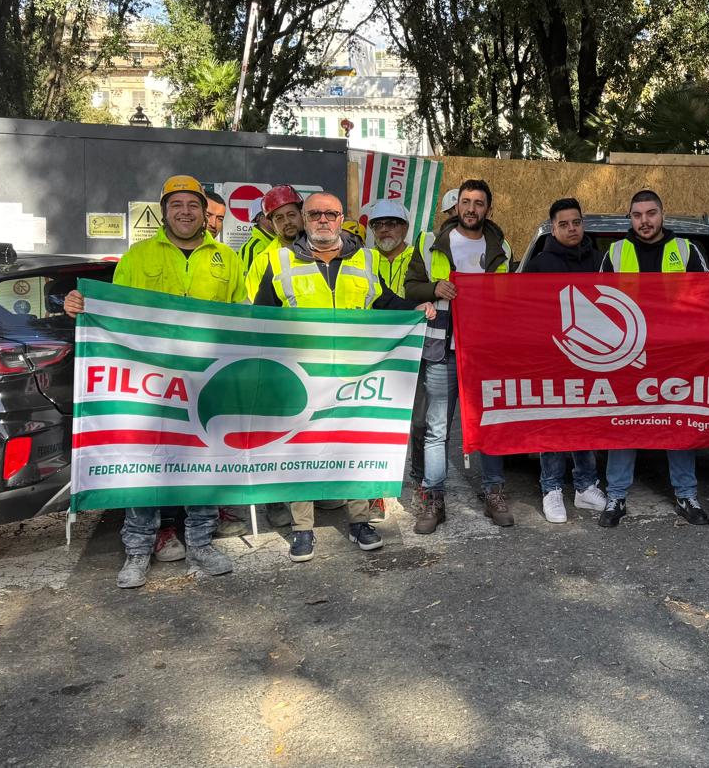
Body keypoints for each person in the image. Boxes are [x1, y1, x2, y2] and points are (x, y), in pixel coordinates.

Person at [63, 175, 242, 589]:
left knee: (204, 462)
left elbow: (241, 316)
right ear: (165, 211)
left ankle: (200, 543)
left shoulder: (227, 260)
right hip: (150, 381)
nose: (185, 211)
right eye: (176, 204)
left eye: (192, 205)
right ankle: (138, 551)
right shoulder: (138, 256)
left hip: (204, 380)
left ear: (204, 212)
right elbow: (113, 310)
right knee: (144, 463)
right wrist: (81, 306)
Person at [252, 192, 435, 562]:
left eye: (331, 214)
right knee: (299, 451)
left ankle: (359, 522)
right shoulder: (280, 260)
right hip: (301, 377)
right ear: (304, 218)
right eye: (315, 214)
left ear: (341, 219)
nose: (323, 220)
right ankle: (302, 529)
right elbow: (261, 318)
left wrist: (415, 308)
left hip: (355, 375)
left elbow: (383, 301)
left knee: (354, 448)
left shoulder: (364, 258)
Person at [596, 190, 709, 527]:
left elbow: (708, 300)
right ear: (629, 218)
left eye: (651, 213)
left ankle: (686, 494)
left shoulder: (687, 250)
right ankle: (616, 496)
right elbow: (599, 305)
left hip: (676, 357)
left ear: (662, 214)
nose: (644, 221)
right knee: (624, 422)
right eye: (637, 215)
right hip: (627, 357)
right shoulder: (615, 254)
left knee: (678, 422)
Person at [405, 178, 515, 533]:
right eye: (466, 202)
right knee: (437, 429)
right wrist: (434, 288)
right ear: (457, 207)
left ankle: (494, 492)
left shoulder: (503, 247)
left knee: (491, 425)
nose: (471, 209)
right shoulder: (429, 243)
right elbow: (409, 288)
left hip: (486, 352)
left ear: (488, 209)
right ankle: (433, 498)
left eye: (479, 203)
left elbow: (510, 297)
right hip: (442, 349)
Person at [522, 197, 607, 522]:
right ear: (553, 228)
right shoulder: (540, 264)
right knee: (554, 422)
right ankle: (552, 488)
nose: (571, 229)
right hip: (551, 357)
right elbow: (526, 312)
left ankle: (586, 487)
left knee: (585, 421)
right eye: (563, 224)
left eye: (576, 222)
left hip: (592, 357)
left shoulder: (601, 261)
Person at [244, 185, 305, 302]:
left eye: (291, 215)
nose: (287, 222)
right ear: (272, 224)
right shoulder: (263, 261)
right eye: (279, 218)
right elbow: (257, 307)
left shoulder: (320, 248)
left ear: (302, 215)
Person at [366, 200, 417, 296]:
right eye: (377, 225)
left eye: (390, 224)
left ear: (404, 228)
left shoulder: (417, 257)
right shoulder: (366, 259)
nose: (383, 229)